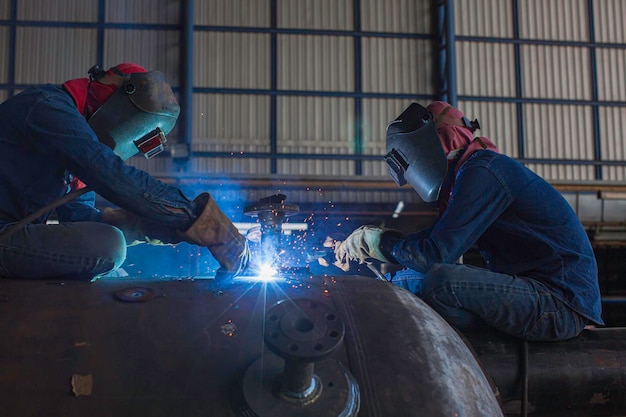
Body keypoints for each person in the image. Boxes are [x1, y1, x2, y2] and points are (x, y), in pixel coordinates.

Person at [334, 101, 603, 341]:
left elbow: (435, 254)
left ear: (434, 144)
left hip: (558, 302)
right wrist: (370, 242)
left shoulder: (483, 171)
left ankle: (479, 348)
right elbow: (431, 242)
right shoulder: (473, 175)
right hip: (538, 295)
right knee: (408, 278)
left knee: (442, 281)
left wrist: (378, 243)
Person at [0, 63, 249, 281]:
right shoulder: (46, 107)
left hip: (10, 233)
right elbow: (107, 172)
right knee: (109, 247)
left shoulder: (77, 145)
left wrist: (150, 226)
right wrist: (200, 219)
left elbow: (78, 217)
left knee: (115, 267)